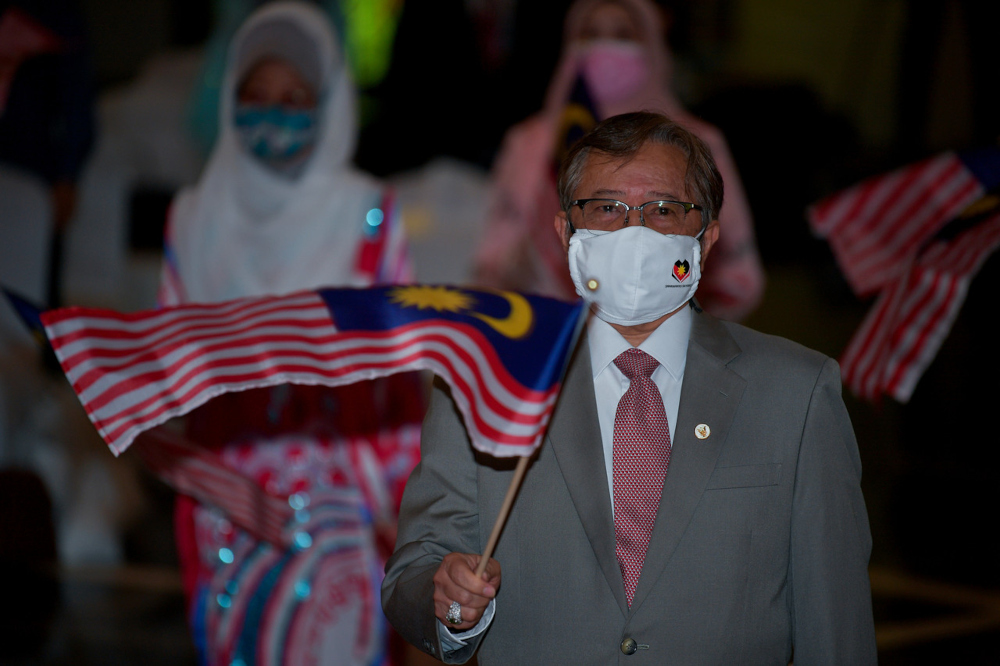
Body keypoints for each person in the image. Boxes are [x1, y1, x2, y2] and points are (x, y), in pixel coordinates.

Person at [382, 112, 876, 664]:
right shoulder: (488, 380)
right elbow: (411, 577)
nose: (634, 232)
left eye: (664, 210)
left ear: (706, 239)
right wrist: (450, 603)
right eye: (607, 208)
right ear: (566, 233)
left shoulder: (797, 393)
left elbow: (838, 630)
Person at [157, 3, 423, 664]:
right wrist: (205, 480)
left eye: (295, 98)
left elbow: (398, 368)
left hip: (344, 504)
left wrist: (404, 505)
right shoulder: (192, 218)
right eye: (256, 95)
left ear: (328, 105)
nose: (273, 113)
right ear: (228, 98)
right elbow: (162, 377)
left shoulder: (367, 212)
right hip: (227, 502)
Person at [472, 0, 764, 322]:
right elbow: (491, 259)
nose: (605, 47)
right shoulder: (531, 143)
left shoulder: (698, 144)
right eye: (591, 34)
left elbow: (738, 272)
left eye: (623, 35)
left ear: (652, 43)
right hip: (547, 331)